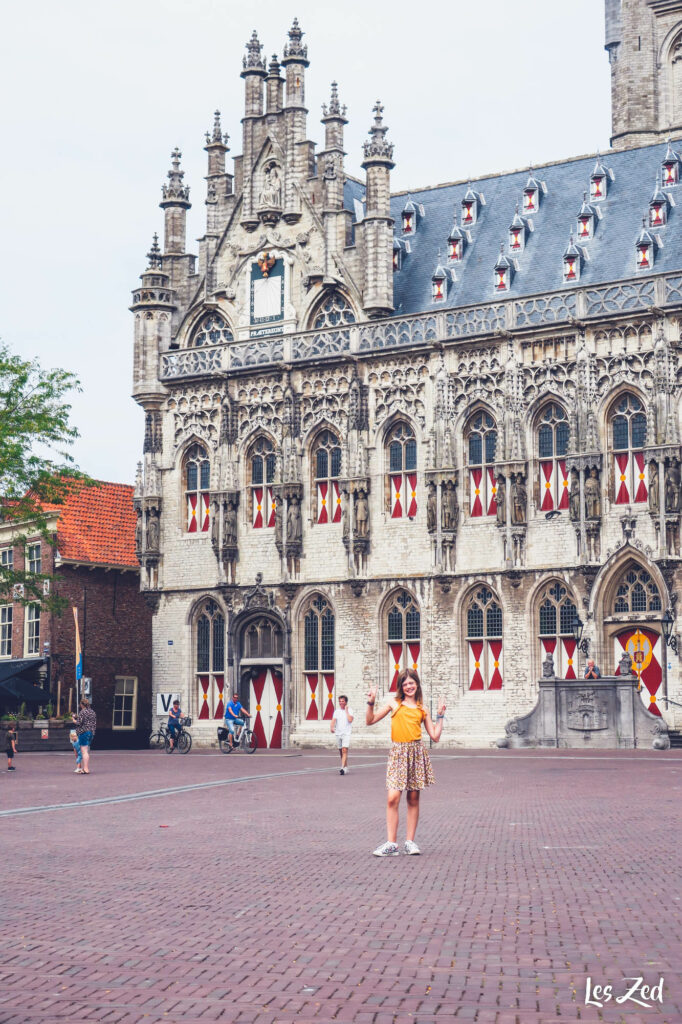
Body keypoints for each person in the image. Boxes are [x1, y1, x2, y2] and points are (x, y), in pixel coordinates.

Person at [365, 669, 446, 857]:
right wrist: (371, 701)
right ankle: (391, 843)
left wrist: (440, 717)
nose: (409, 686)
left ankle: (410, 842)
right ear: (401, 687)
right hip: (398, 753)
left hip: (416, 753)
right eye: (405, 684)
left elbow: (434, 736)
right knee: (392, 798)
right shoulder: (394, 704)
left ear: (417, 684)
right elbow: (370, 721)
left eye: (412, 683)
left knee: (413, 798)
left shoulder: (422, 709)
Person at [330, 695, 354, 775]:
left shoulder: (350, 710)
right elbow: (333, 720)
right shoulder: (336, 711)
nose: (341, 703)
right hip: (338, 733)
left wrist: (346, 711)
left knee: (344, 750)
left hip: (346, 733)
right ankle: (345, 766)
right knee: (341, 751)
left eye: (342, 701)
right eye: (340, 701)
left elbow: (350, 720)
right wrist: (332, 727)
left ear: (346, 702)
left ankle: (342, 768)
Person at [72, 697, 96, 774]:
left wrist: (73, 719)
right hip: (91, 732)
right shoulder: (92, 712)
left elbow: (79, 723)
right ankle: (85, 768)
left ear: (82, 704)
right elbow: (91, 722)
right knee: (86, 750)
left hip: (84, 732)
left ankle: (85, 769)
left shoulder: (82, 712)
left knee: (84, 751)